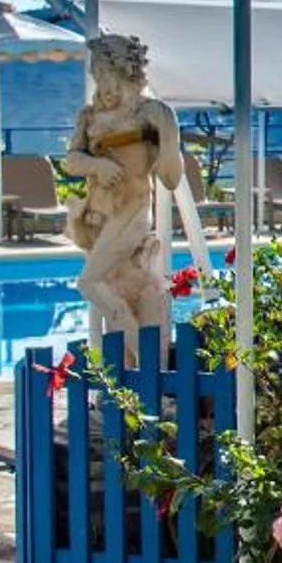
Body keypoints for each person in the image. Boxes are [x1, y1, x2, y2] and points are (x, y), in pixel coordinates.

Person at [65, 33, 184, 359]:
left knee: (91, 282)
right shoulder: (89, 116)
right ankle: (133, 370)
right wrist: (96, 165)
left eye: (102, 74)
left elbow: (171, 178)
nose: (100, 84)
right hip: (97, 217)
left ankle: (144, 356)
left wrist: (169, 137)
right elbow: (71, 161)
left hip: (131, 212)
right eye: (95, 76)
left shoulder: (150, 113)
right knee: (114, 286)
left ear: (119, 72)